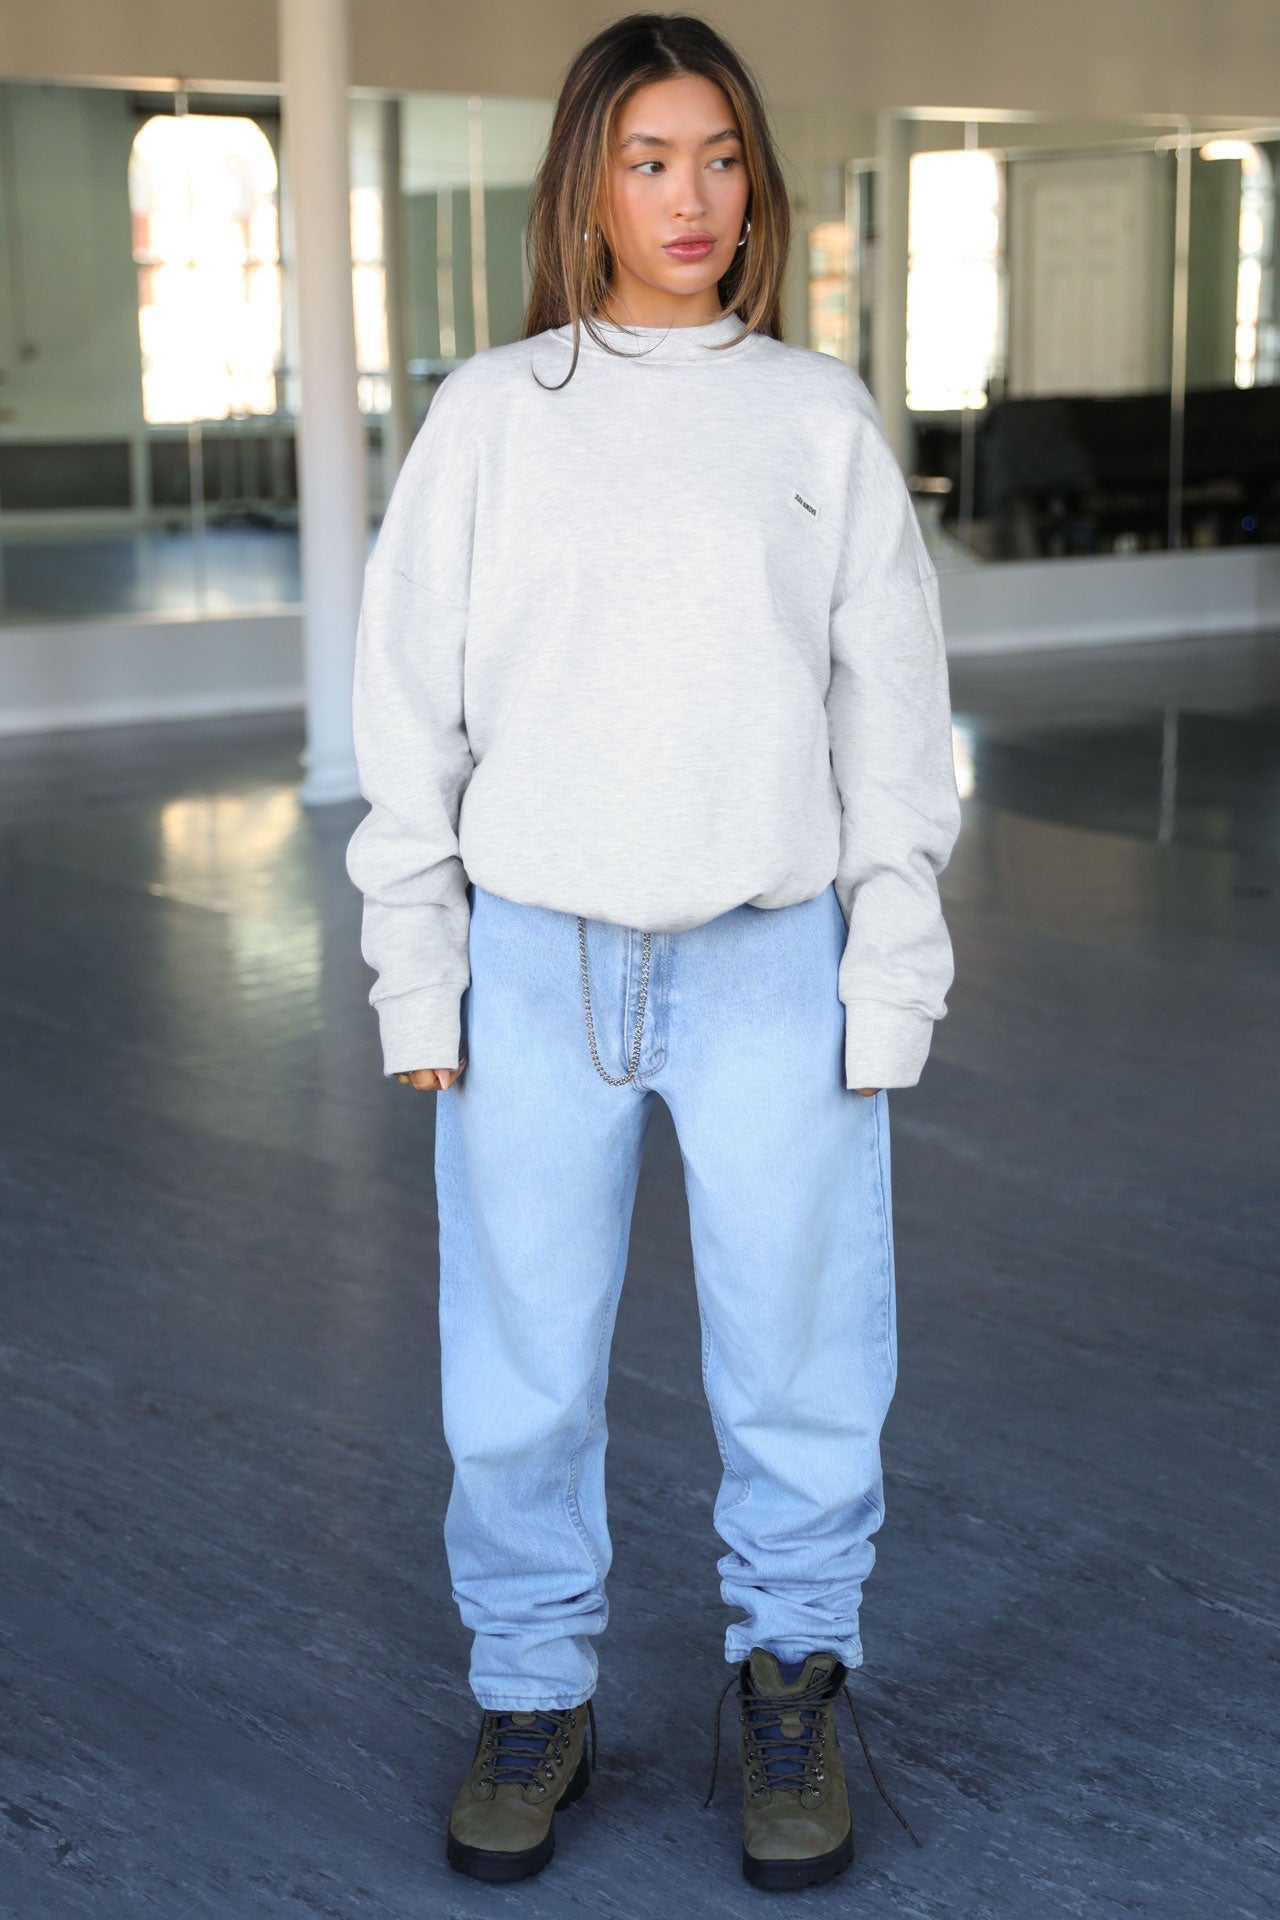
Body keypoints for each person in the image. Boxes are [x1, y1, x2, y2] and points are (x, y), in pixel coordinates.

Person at [345, 9, 961, 1893]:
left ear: (752, 181)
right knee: (516, 1367)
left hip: (775, 955)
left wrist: (891, 969)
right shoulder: (488, 414)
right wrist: (418, 971)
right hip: (533, 956)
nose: (691, 196)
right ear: (585, 186)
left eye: (717, 157)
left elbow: (893, 724)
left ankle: (791, 1677)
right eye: (647, 158)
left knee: (801, 1353)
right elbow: (406, 715)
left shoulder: (816, 418)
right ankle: (534, 1690)